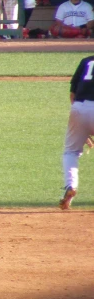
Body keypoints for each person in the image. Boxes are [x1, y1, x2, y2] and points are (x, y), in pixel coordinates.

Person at [59, 54, 94, 210]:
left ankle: (71, 185)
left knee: (71, 152)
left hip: (79, 108)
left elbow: (73, 93)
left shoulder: (87, 60)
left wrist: (84, 128)